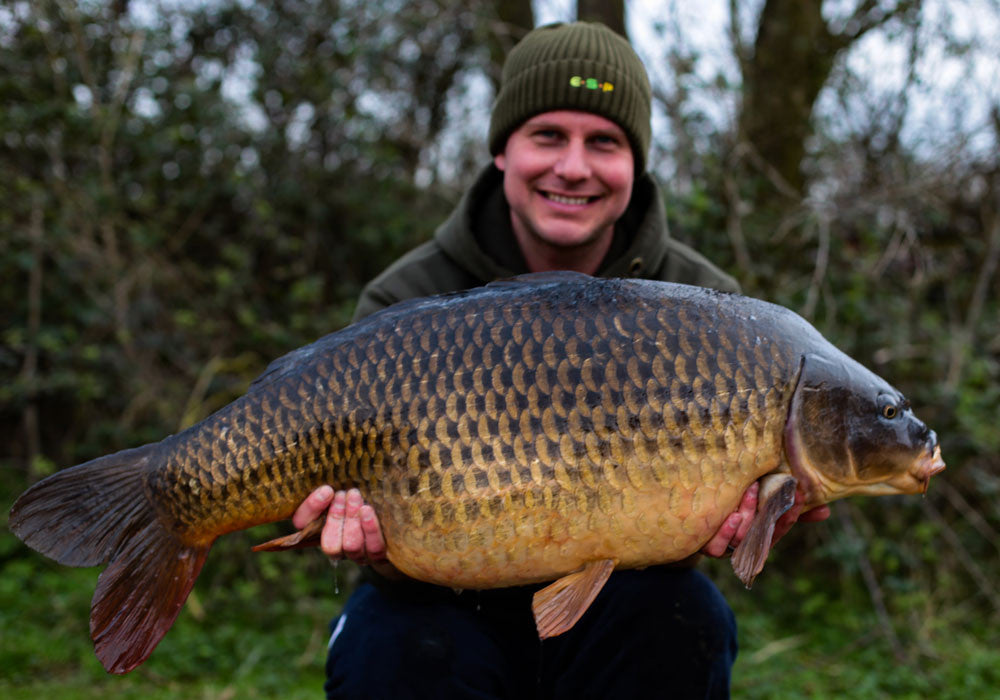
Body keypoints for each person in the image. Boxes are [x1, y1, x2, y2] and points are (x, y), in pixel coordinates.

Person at [293, 22, 829, 699]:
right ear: (502, 151)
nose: (573, 167)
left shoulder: (714, 313)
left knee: (687, 620)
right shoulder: (409, 295)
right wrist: (369, 541)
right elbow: (364, 509)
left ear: (635, 163)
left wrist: (729, 528)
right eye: (548, 136)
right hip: (438, 598)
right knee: (395, 647)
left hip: (624, 601)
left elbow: (694, 523)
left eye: (603, 142)